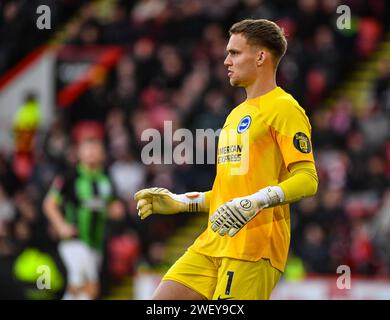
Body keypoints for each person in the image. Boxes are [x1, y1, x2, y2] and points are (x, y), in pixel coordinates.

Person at [134, 19, 319, 300]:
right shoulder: (235, 115)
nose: (225, 61)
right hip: (213, 242)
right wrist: (181, 201)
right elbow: (229, 194)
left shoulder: (284, 108)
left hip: (253, 248)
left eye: (234, 53)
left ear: (260, 57)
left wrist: (257, 201)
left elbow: (308, 179)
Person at [44, 126, 123, 300]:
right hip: (75, 240)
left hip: (96, 244)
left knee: (79, 290)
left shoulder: (106, 180)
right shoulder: (70, 178)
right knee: (89, 287)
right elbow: (49, 204)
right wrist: (61, 226)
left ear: (103, 153)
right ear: (79, 153)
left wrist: (116, 211)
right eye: (88, 148)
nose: (92, 152)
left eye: (96, 148)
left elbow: (115, 207)